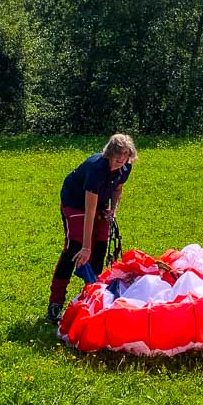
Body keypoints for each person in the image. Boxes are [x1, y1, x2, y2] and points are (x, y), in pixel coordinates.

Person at [47, 134, 137, 324]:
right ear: (109, 153)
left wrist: (113, 210)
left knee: (101, 246)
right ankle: (55, 302)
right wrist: (86, 247)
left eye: (125, 155)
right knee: (75, 247)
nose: (121, 159)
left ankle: (92, 297)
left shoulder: (126, 167)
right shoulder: (96, 169)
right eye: (117, 155)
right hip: (76, 202)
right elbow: (89, 210)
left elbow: (117, 189)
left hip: (100, 203)